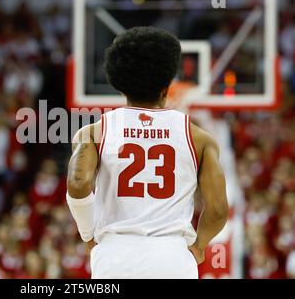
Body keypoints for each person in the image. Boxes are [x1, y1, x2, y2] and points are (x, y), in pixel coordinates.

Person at [66, 26, 229, 279]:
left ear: (120, 86)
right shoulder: (200, 138)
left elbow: (78, 183)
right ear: (166, 87)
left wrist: (88, 234)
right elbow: (217, 209)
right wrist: (199, 245)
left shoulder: (93, 133)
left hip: (115, 255)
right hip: (171, 255)